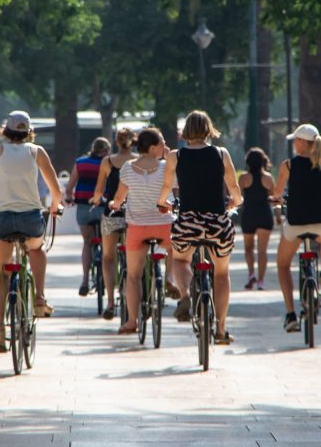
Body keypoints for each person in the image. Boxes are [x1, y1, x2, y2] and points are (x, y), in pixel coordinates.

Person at [0, 111, 62, 353]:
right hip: (30, 218)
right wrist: (56, 207)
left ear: (6, 130)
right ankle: (39, 298)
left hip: (1, 219)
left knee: (1, 271)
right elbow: (56, 190)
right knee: (36, 248)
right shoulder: (37, 151)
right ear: (29, 131)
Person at [157, 110, 242, 344]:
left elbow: (166, 186)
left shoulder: (176, 156)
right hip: (217, 222)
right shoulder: (221, 154)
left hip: (188, 221)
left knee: (182, 259)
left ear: (186, 132)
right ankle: (222, 329)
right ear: (209, 129)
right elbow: (233, 187)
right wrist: (235, 201)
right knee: (222, 273)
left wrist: (162, 203)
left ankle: (185, 295)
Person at [272, 125, 321, 333]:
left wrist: (277, 199)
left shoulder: (288, 165)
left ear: (302, 143)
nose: (294, 144)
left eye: (296, 141)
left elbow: (277, 192)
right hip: (319, 224)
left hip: (295, 225)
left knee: (283, 264)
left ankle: (291, 314)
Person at [109, 128, 175, 334]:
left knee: (133, 276)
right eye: (163, 143)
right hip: (163, 223)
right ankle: (170, 279)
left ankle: (131, 321)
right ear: (154, 147)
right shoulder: (167, 167)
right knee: (177, 250)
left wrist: (114, 204)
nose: (166, 147)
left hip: (138, 227)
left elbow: (120, 197)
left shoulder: (128, 168)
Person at [90, 128, 137, 319]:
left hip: (113, 213)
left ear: (116, 142)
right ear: (133, 142)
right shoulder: (139, 161)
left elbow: (99, 190)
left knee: (108, 258)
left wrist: (95, 200)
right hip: (135, 214)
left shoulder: (107, 162)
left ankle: (110, 301)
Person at [65, 137, 111, 296]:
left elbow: (69, 187)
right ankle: (107, 278)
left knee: (87, 243)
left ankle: (85, 280)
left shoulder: (81, 162)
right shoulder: (109, 163)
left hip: (84, 207)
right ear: (106, 151)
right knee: (108, 246)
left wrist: (69, 198)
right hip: (105, 208)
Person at [238, 148, 275, 291]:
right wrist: (278, 216)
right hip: (264, 215)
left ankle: (251, 273)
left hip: (249, 215)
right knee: (262, 251)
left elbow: (238, 197)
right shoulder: (268, 178)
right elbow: (274, 199)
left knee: (248, 248)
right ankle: (261, 281)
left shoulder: (243, 178)